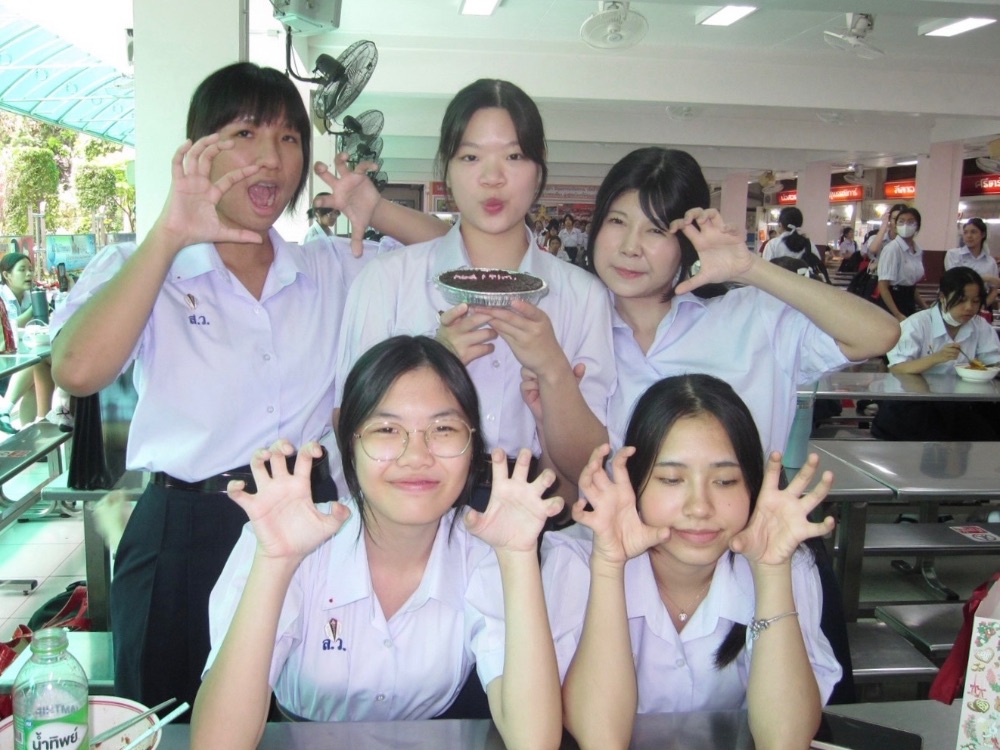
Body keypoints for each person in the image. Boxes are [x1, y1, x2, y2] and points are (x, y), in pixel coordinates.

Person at [48, 62, 431, 715]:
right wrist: (169, 234)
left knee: (303, 718)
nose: (271, 158)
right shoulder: (146, 267)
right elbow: (77, 370)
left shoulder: (331, 268)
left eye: (288, 139)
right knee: (171, 718)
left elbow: (462, 260)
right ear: (200, 150)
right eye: (247, 133)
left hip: (312, 522)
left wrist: (380, 210)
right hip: (184, 527)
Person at [191, 336, 563, 750]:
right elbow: (216, 744)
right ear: (350, 444)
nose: (416, 456)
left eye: (443, 429)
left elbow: (534, 742)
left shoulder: (484, 552)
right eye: (387, 429)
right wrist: (275, 561)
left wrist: (518, 556)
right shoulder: (284, 537)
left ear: (473, 444)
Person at [334, 79, 615, 503]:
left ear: (539, 169)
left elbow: (590, 468)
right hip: (414, 504)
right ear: (446, 170)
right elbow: (349, 425)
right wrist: (434, 361)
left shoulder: (583, 296)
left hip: (531, 508)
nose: (492, 178)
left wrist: (554, 370)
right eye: (470, 157)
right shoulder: (387, 281)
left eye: (514, 156)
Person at [542, 374, 840, 750]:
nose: (699, 507)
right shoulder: (576, 563)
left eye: (725, 481)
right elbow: (600, 739)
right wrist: (608, 566)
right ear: (634, 483)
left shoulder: (787, 564)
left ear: (752, 486)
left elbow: (786, 740)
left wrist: (771, 572)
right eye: (671, 479)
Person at [586, 147, 898, 458]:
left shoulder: (754, 319)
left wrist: (750, 268)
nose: (630, 247)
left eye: (656, 229)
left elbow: (879, 334)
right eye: (617, 221)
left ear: (686, 240)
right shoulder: (574, 328)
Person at [872, 267, 1000, 441]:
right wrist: (936, 358)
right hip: (915, 403)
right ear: (942, 297)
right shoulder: (917, 324)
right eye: (961, 300)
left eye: (975, 301)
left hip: (961, 403)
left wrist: (985, 368)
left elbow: (993, 362)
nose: (969, 307)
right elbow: (897, 368)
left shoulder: (980, 326)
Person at [0, 252, 54, 432]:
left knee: (38, 374)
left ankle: (30, 433)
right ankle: (5, 410)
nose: (29, 274)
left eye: (30, 269)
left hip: (21, 359)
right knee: (37, 361)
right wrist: (34, 309)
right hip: (6, 363)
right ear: (6, 275)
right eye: (22, 270)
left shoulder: (30, 296)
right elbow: (9, 328)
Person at [875, 206, 927, 321]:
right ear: (896, 225)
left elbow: (910, 285)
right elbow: (883, 286)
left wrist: (924, 307)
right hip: (893, 302)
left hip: (908, 301)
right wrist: (897, 314)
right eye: (901, 221)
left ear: (917, 226)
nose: (905, 225)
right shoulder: (892, 249)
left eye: (910, 222)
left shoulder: (917, 250)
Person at [944, 218, 999, 308]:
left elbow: (994, 290)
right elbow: (954, 280)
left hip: (982, 303)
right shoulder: (953, 254)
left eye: (973, 232)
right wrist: (985, 278)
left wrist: (981, 307)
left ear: (983, 235)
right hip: (957, 300)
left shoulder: (990, 262)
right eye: (965, 232)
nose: (969, 236)